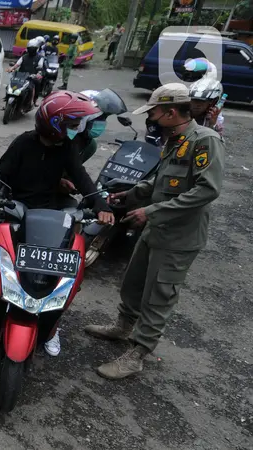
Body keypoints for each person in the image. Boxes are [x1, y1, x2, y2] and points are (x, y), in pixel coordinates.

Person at [0, 92, 115, 351]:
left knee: (65, 275)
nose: (74, 131)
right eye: (71, 125)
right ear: (55, 123)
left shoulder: (67, 148)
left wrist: (101, 205)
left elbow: (83, 179)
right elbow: (0, 173)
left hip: (49, 216)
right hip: (16, 210)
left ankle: (51, 328)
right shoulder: (24, 142)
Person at [85, 83, 225, 379]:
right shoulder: (174, 139)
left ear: (171, 112)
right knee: (134, 283)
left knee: (159, 295)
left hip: (179, 238)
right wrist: (131, 194)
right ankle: (123, 327)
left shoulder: (205, 140)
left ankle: (138, 352)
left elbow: (207, 190)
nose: (152, 119)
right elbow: (161, 181)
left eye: (155, 113)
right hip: (155, 229)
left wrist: (150, 211)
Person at [187, 62, 225, 135]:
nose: (197, 105)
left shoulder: (213, 90)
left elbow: (216, 140)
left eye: (195, 76)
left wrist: (212, 124)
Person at [7, 37, 45, 107]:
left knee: (34, 87)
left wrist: (38, 74)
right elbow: (17, 65)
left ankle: (33, 101)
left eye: (32, 48)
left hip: (31, 77)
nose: (31, 50)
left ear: (36, 48)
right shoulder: (24, 56)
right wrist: (11, 68)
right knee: (10, 86)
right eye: (30, 48)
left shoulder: (39, 58)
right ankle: (7, 101)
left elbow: (40, 67)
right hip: (20, 76)